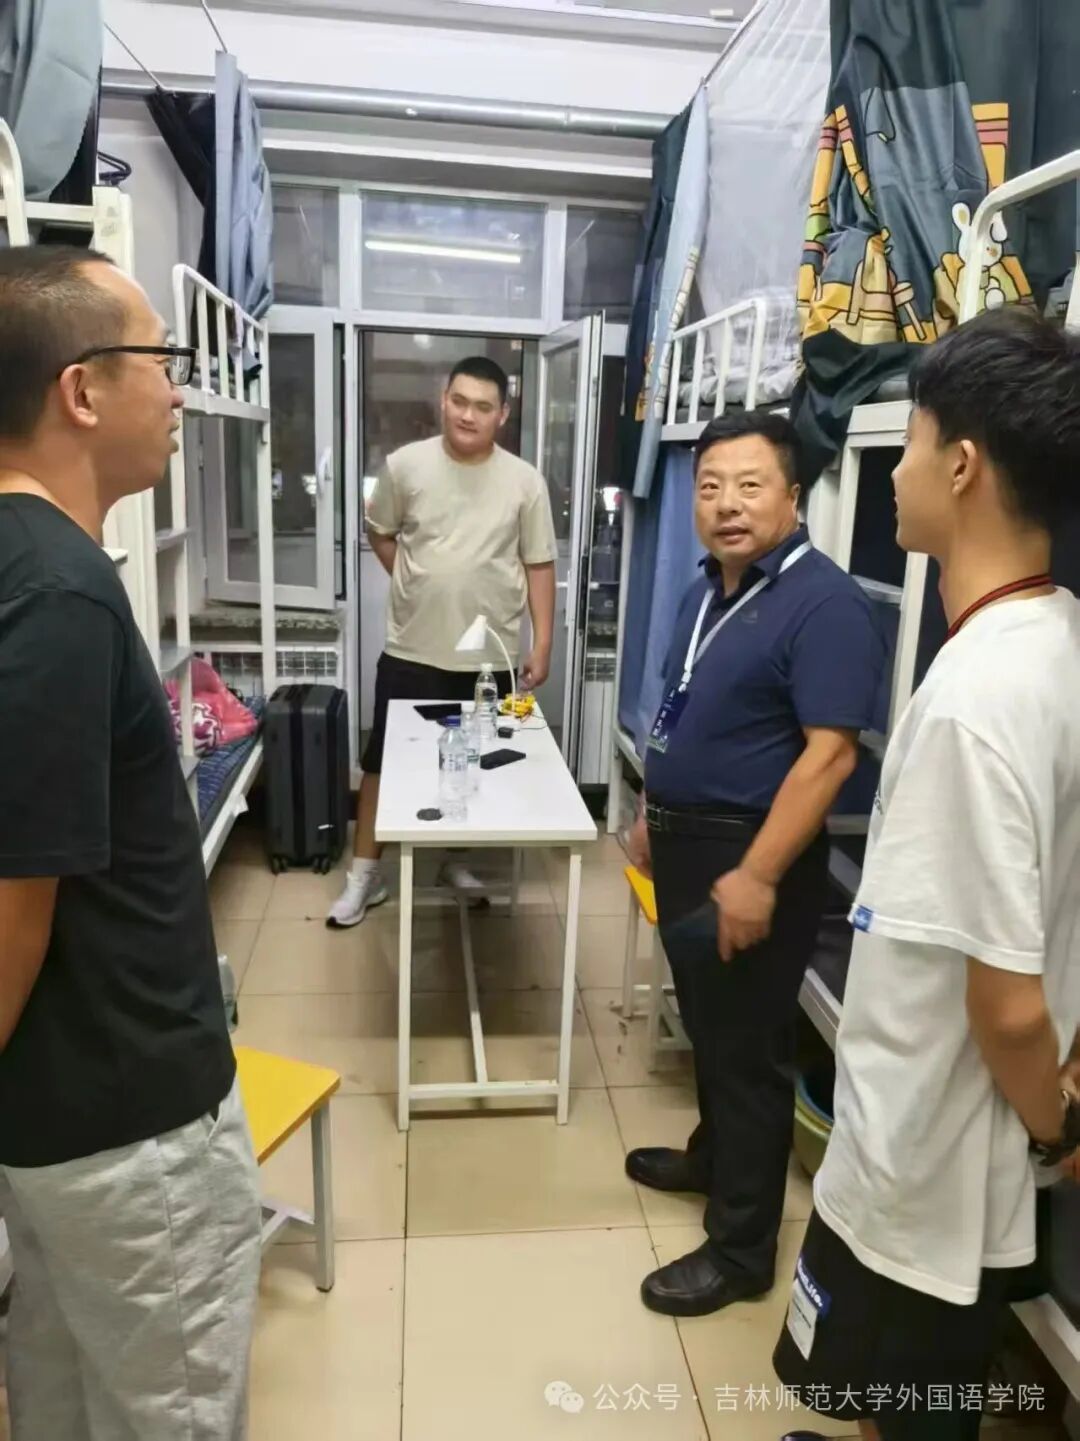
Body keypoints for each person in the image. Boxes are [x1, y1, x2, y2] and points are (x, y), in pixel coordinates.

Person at [773, 308, 1080, 1441]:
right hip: (939, 1139)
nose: (894, 471)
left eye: (908, 440)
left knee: (911, 1409)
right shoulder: (1058, 635)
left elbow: (1006, 1003)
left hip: (930, 1159)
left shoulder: (973, 702)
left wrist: (1058, 1127)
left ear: (962, 465)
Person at [0, 247, 260, 1439]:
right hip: (128, 1130)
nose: (179, 388)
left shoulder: (35, 565)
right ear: (82, 390)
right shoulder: (53, 591)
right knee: (171, 1413)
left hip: (58, 1112)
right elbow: (19, 892)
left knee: (60, 1402)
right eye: (163, 359)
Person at [626, 410, 885, 1317]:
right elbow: (681, 705)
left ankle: (741, 1252)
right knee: (711, 1025)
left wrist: (760, 875)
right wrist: (650, 809)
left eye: (749, 485)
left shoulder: (826, 603)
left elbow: (829, 757)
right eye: (710, 487)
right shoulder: (707, 590)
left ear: (794, 496)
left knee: (749, 1054)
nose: (726, 505)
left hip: (751, 853)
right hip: (687, 844)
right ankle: (715, 1159)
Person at [328, 355, 557, 928]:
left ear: (502, 415)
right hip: (412, 649)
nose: (468, 415)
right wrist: (415, 579)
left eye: (483, 406)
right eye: (459, 401)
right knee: (382, 764)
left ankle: (455, 861)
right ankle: (364, 878)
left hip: (489, 657)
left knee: (475, 764)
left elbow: (539, 565)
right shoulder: (405, 466)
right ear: (443, 400)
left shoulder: (525, 481)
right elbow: (380, 531)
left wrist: (543, 644)